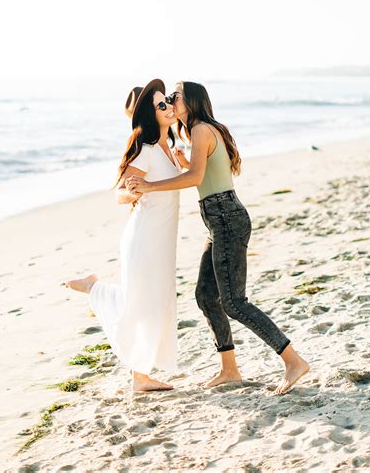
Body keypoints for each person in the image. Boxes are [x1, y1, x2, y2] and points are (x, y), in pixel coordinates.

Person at [126, 81, 309, 395]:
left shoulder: (201, 130)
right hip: (220, 219)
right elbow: (206, 171)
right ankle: (229, 369)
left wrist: (150, 187)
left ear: (192, 101)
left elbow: (196, 178)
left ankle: (292, 360)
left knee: (234, 303)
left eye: (174, 97)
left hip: (226, 218)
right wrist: (185, 163)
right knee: (206, 296)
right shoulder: (204, 129)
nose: (170, 101)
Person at [65, 79, 182, 392]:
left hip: (162, 238)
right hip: (144, 238)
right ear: (150, 113)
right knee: (140, 304)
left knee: (155, 302)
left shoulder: (167, 149)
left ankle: (140, 376)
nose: (169, 108)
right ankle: (94, 288)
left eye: (168, 101)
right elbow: (120, 194)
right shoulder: (144, 150)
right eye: (161, 105)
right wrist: (133, 192)